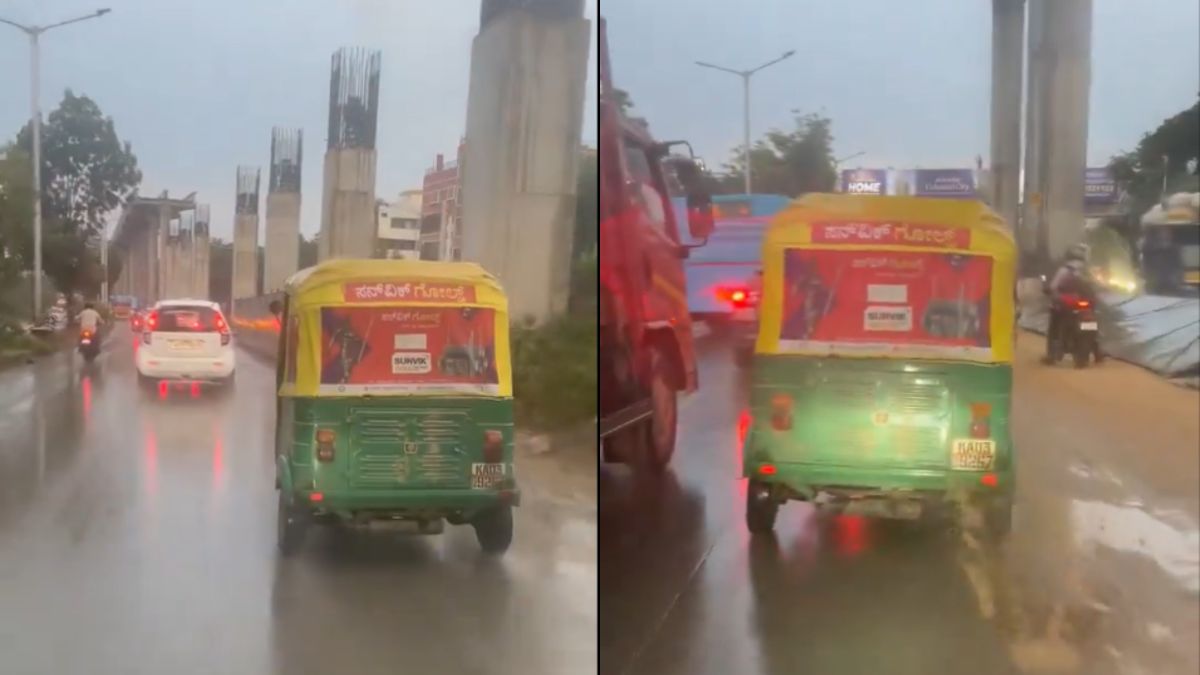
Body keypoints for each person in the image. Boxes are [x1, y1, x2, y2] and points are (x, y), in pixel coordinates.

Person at [1045, 244, 1092, 357]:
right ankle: (1097, 350)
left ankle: (1051, 354)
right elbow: (1095, 288)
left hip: (1065, 305)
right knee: (1092, 323)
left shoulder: (1063, 270)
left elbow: (1053, 287)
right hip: (1085, 304)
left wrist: (1051, 292)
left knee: (1054, 325)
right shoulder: (1088, 271)